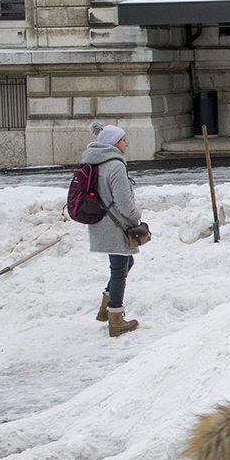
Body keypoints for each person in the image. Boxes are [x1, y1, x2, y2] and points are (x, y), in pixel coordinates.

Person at [80, 121, 146, 337]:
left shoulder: (95, 161)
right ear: (115, 143)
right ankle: (115, 318)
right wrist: (136, 217)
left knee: (126, 262)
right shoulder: (115, 165)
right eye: (124, 139)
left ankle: (105, 309)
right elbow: (124, 203)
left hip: (101, 222)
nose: (127, 143)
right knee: (119, 268)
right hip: (115, 224)